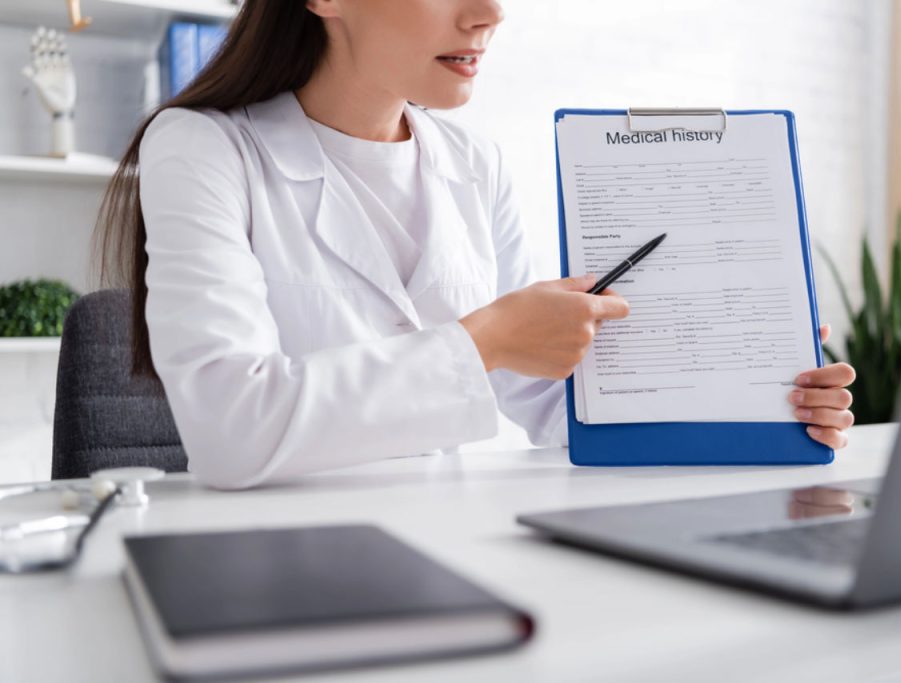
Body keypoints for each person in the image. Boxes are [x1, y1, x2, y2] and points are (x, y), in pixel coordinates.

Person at [96, 0, 856, 490]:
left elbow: (558, 404)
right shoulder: (202, 149)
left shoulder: (472, 163)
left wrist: (758, 391)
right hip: (278, 571)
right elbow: (232, 429)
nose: (489, 13)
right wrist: (485, 339)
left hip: (455, 551)